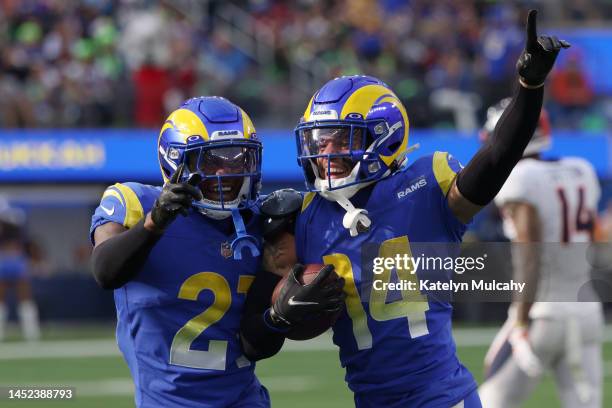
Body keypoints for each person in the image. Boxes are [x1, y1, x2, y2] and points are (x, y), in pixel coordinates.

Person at [241, 9, 569, 407]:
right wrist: (278, 319)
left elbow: (496, 159)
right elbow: (252, 342)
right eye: (319, 141)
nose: (326, 153)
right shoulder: (303, 218)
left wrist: (529, 87)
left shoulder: (424, 189)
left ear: (383, 136)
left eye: (340, 139)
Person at [90, 96, 343, 407]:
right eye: (211, 161)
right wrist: (154, 223)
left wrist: (277, 318)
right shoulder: (134, 202)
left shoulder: (261, 222)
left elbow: (253, 347)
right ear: (176, 161)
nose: (227, 172)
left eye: (239, 159)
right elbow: (105, 271)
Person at [478, 99, 603, 408]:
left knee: (488, 402)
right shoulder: (581, 170)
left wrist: (519, 322)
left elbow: (529, 255)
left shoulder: (521, 179)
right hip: (587, 312)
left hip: (542, 315)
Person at [0, 198, 40, 342]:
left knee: (25, 298)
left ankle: (31, 334)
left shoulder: (15, 220)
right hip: (5, 260)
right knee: (2, 298)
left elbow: (24, 242)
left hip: (15, 260)